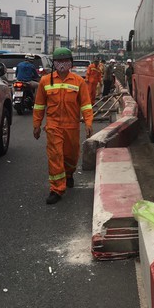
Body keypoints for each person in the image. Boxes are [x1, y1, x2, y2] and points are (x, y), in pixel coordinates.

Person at [33, 48, 94, 205]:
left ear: (70, 63)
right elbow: (39, 105)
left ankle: (69, 174)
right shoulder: (45, 81)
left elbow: (86, 105)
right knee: (55, 156)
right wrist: (37, 125)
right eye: (59, 61)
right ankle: (57, 189)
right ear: (54, 63)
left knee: (71, 155)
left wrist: (88, 123)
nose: (62, 64)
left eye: (65, 61)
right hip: (53, 126)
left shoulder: (78, 82)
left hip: (72, 126)